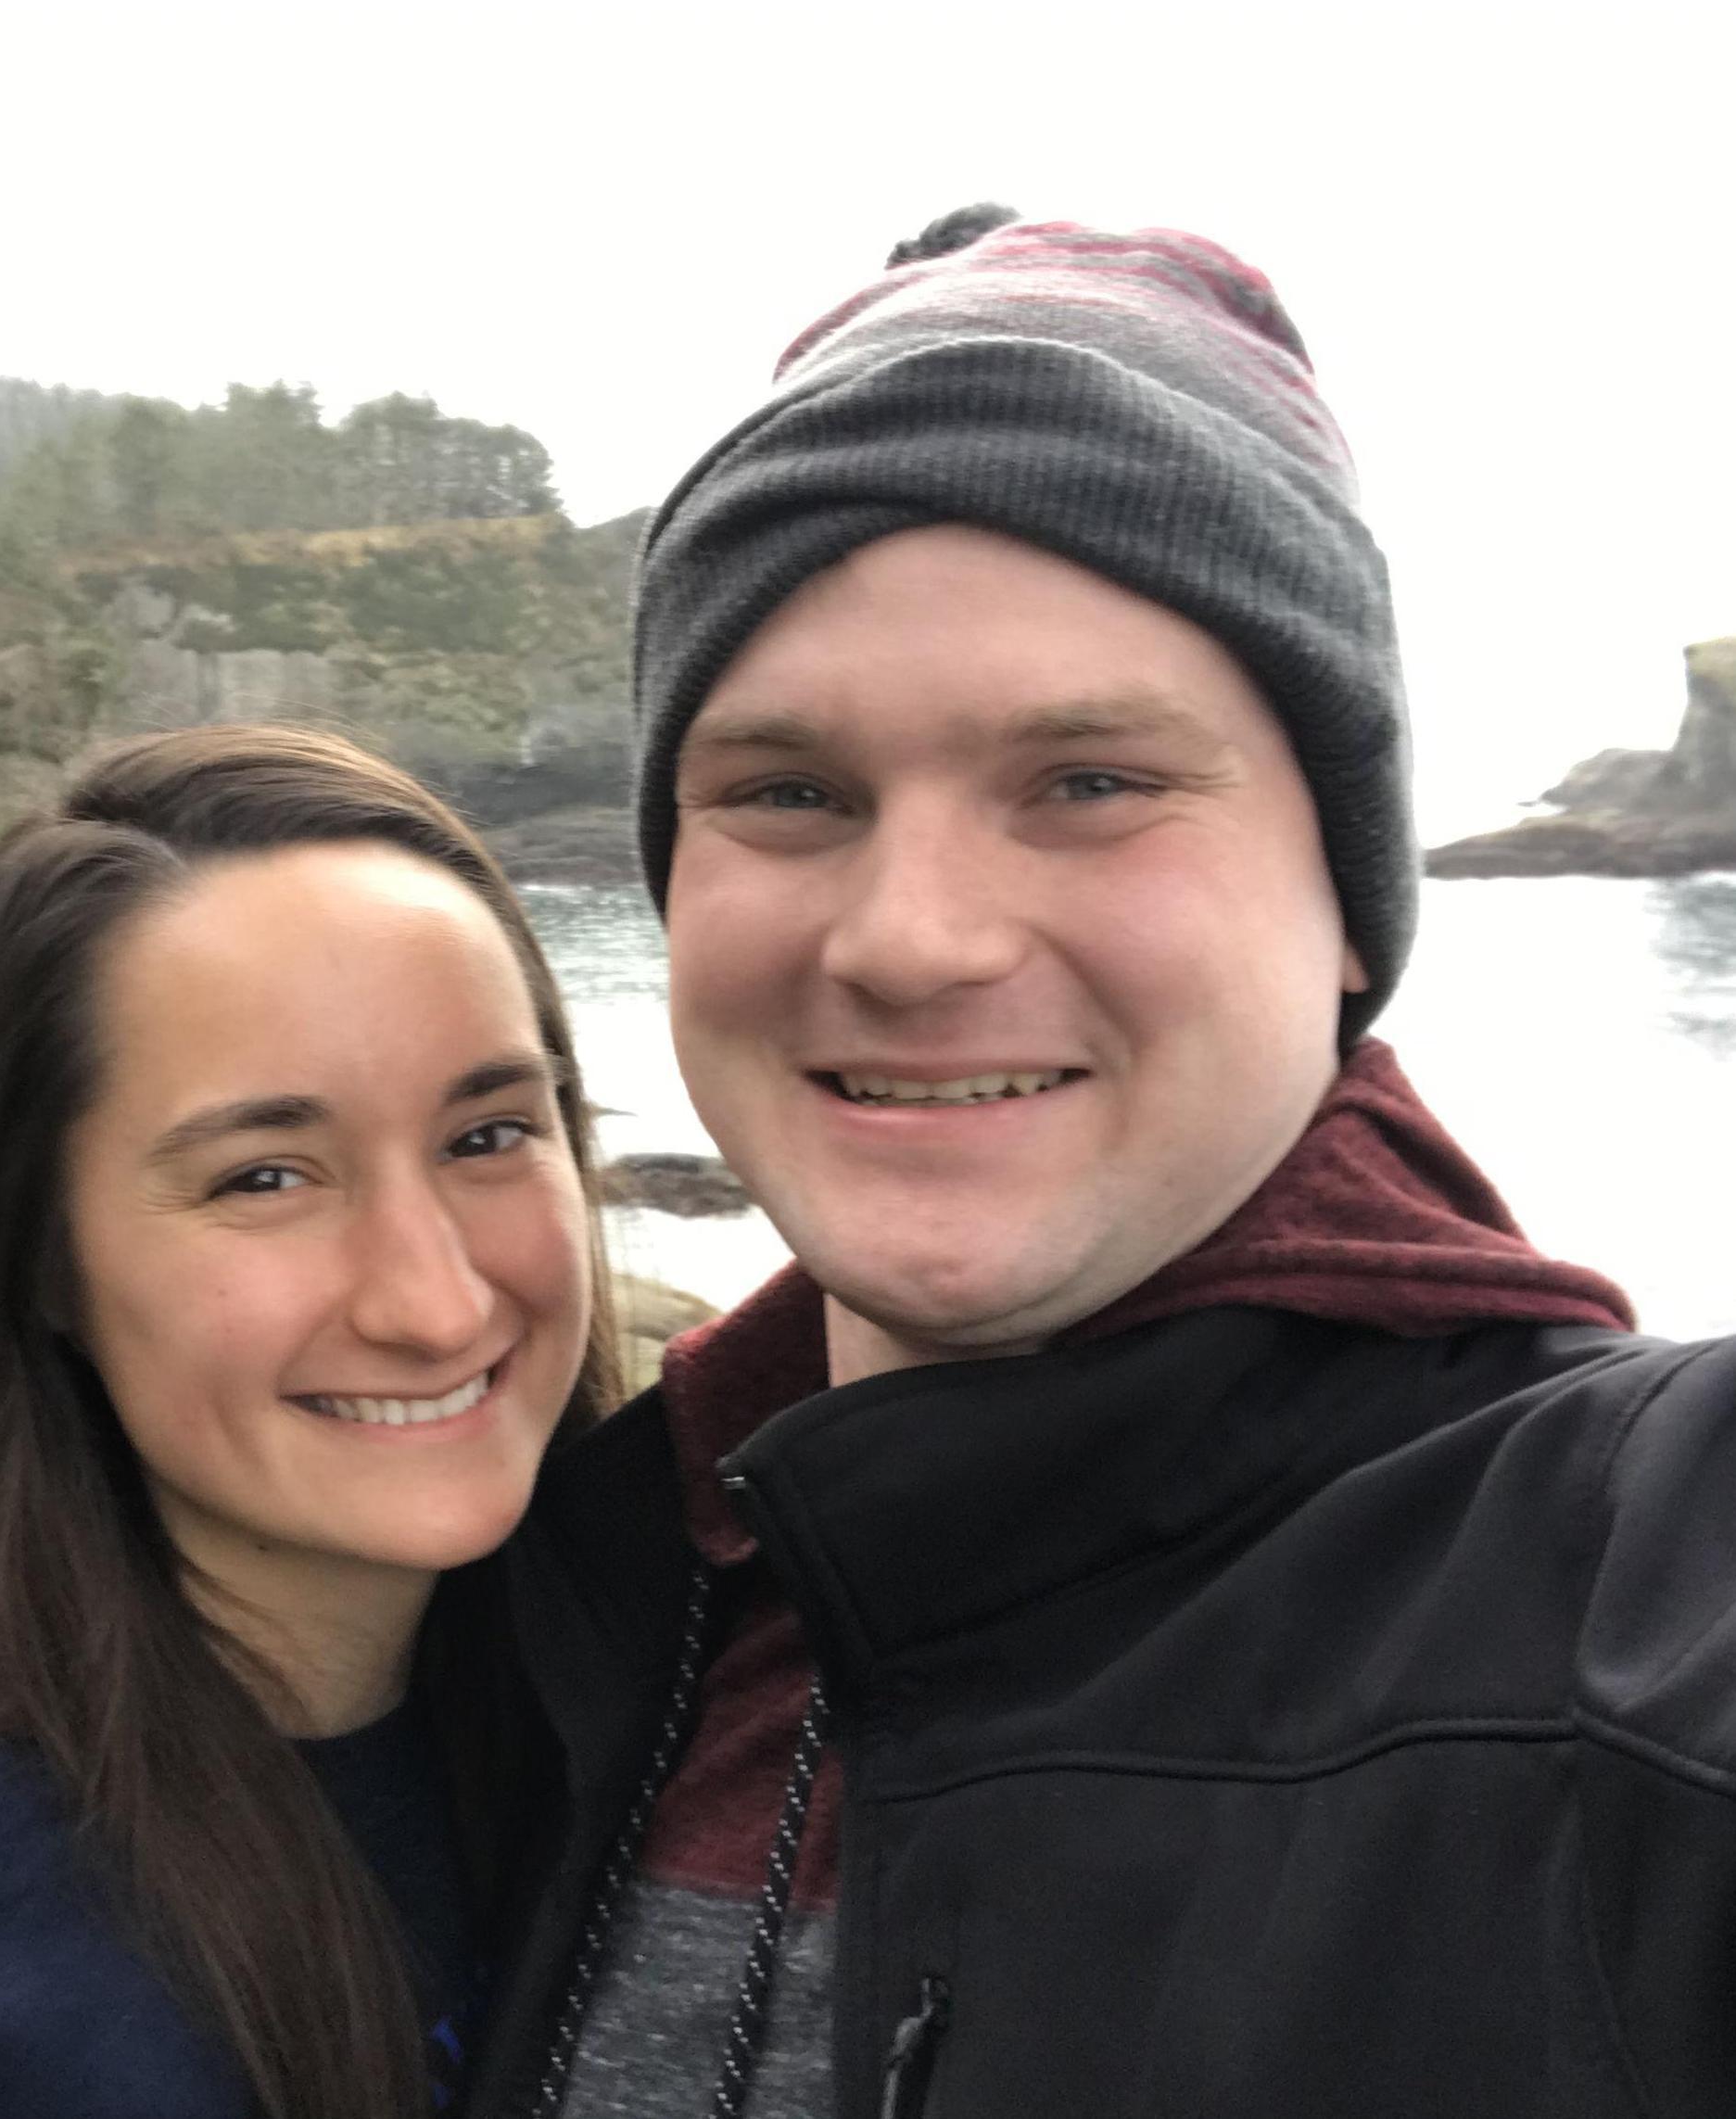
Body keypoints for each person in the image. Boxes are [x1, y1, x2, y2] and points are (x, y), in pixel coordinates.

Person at [467, 214, 1736, 2118]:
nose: (912, 941)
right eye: (789, 792)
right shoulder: (557, 1581)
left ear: (1346, 906)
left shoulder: (1625, 1593)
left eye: (1089, 782)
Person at [0, 724, 620, 2119]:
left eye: (489, 1134)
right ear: (42, 1259)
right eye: (266, 1176)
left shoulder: (640, 1701)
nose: (438, 1305)